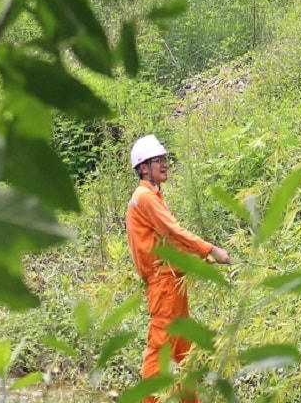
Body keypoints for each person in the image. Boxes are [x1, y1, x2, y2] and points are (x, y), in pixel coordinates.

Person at [126, 134, 231, 403]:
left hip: (172, 281)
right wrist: (210, 250)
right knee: (162, 348)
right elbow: (173, 232)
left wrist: (196, 258)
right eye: (158, 160)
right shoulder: (144, 197)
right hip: (163, 284)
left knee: (182, 349)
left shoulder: (153, 197)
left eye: (165, 159)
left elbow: (168, 240)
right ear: (143, 168)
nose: (165, 164)